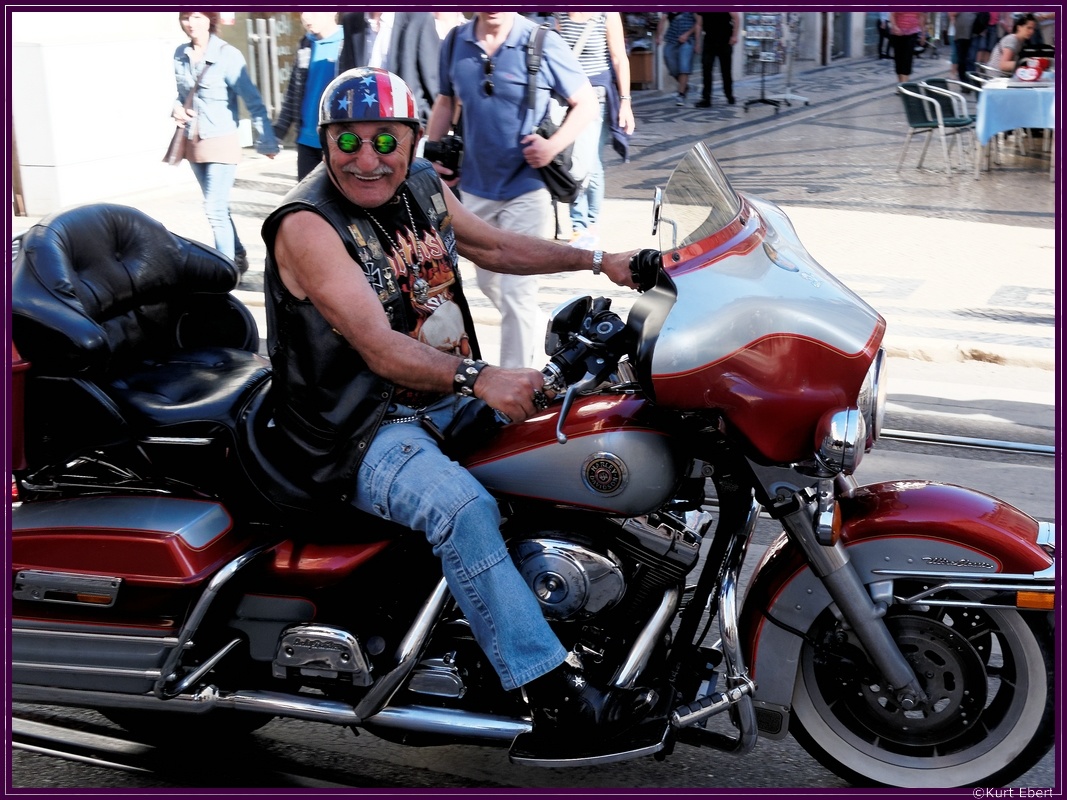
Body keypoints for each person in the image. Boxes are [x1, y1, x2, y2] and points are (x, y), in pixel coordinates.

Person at [261, 66, 655, 750]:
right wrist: (479, 377)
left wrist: (601, 259)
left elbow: (492, 244)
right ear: (324, 143)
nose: (366, 158)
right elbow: (379, 346)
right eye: (347, 140)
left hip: (440, 400)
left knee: (581, 428)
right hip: (355, 430)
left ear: (413, 139)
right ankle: (549, 694)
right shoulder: (307, 225)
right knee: (462, 509)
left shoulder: (419, 184)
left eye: (385, 139)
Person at [426, 12, 598, 370]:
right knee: (489, 282)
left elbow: (586, 103)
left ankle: (514, 383)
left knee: (517, 292)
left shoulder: (541, 41)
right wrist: (430, 156)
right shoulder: (456, 42)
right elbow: (445, 101)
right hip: (475, 188)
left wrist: (552, 147)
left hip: (527, 187)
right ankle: (533, 326)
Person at [172, 11, 279, 273]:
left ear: (210, 19)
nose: (191, 23)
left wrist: (266, 139)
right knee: (218, 206)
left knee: (214, 208)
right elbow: (182, 95)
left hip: (221, 140)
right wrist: (176, 109)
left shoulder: (227, 55)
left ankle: (225, 272)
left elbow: (253, 101)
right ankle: (238, 255)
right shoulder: (180, 54)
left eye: (197, 16)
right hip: (193, 141)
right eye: (186, 17)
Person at [553, 12, 635, 248]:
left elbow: (619, 59)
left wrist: (625, 102)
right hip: (567, 96)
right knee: (572, 160)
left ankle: (587, 224)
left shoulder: (606, 13)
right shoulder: (560, 13)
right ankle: (581, 226)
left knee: (589, 162)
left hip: (596, 96)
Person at [273, 12, 343, 181]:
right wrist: (279, 131)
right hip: (306, 141)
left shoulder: (346, 42)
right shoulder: (305, 44)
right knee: (307, 196)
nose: (306, 17)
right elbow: (293, 90)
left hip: (338, 142)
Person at [337, 12, 440, 128]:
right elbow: (346, 81)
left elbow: (435, 87)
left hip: (407, 127)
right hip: (364, 127)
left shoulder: (419, 19)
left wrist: (425, 129)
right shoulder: (351, 21)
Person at [695, 12, 739, 107]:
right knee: (706, 69)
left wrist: (734, 36)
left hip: (725, 40)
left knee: (726, 70)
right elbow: (699, 24)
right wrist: (697, 42)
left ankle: (729, 95)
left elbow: (736, 18)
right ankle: (706, 98)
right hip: (709, 40)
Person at [656, 12, 699, 106]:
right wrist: (659, 36)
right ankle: (684, 86)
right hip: (671, 39)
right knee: (671, 65)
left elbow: (698, 23)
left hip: (688, 40)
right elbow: (662, 20)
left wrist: (690, 36)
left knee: (684, 66)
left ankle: (681, 94)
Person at [888, 11, 927, 82]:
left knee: (907, 58)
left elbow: (921, 17)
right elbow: (892, 15)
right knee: (899, 59)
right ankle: (901, 83)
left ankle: (905, 84)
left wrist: (923, 34)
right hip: (897, 34)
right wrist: (894, 26)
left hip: (912, 33)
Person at [948, 12, 978, 86]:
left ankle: (971, 80)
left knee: (971, 59)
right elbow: (951, 13)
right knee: (962, 59)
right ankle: (964, 82)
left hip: (973, 34)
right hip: (961, 35)